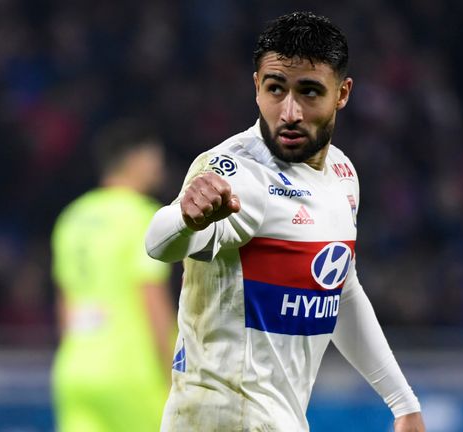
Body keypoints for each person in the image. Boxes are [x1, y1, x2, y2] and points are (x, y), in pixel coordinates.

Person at [145, 11, 426, 432]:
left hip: (281, 421)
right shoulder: (238, 171)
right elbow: (159, 244)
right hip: (218, 420)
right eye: (275, 89)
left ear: (342, 93)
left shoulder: (343, 176)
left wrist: (402, 403)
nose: (289, 111)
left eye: (309, 92)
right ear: (257, 87)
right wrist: (185, 216)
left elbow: (340, 292)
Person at [50, 118, 176, 432]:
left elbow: (65, 306)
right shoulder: (142, 216)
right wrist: (175, 376)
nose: (159, 165)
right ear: (135, 158)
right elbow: (152, 300)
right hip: (132, 373)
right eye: (154, 155)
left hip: (76, 370)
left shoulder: (73, 217)